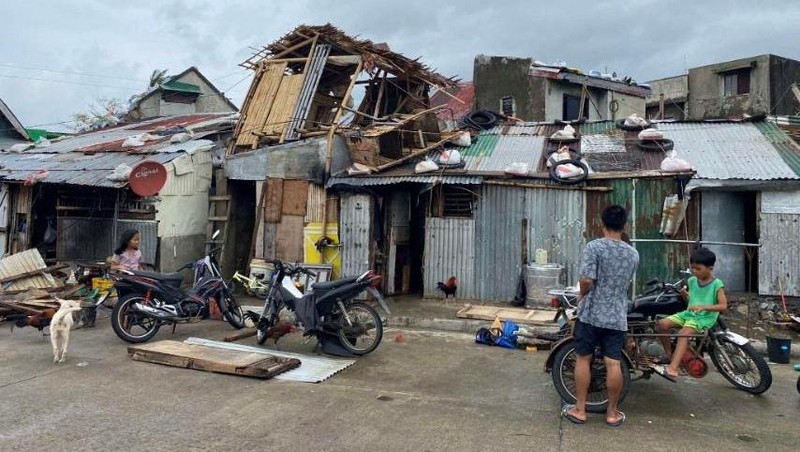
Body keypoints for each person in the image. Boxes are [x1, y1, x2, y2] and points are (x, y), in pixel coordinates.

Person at [562, 205, 639, 427]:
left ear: (602, 224)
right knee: (613, 363)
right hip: (616, 316)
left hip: (592, 314)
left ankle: (580, 409)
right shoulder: (633, 253)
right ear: (624, 226)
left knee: (583, 359)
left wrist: (581, 296)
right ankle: (612, 413)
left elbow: (586, 280)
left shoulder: (594, 247)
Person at [655, 247, 727, 381]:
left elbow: (723, 306)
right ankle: (670, 355)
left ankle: (673, 369)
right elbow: (692, 302)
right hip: (690, 314)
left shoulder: (717, 284)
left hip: (705, 318)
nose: (694, 271)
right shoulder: (692, 281)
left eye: (698, 269)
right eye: (692, 268)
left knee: (683, 333)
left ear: (710, 268)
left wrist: (703, 307)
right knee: (661, 324)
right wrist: (685, 295)